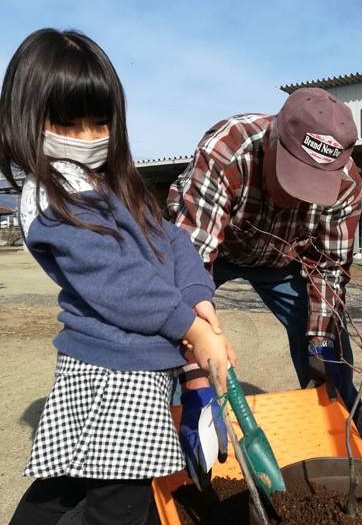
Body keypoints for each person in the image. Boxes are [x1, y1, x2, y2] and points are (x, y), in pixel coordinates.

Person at [0, 28, 235, 525]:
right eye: (67, 122)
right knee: (120, 506)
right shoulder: (50, 197)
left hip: (133, 364)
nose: (87, 138)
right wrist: (192, 330)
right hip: (111, 372)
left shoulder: (111, 185)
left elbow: (170, 239)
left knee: (68, 483)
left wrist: (201, 302)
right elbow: (120, 280)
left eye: (100, 122)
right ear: (26, 118)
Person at [166, 88, 362, 414]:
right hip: (218, 251)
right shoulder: (228, 149)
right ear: (272, 141)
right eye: (293, 176)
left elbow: (329, 267)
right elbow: (190, 258)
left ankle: (341, 430)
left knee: (331, 345)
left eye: (313, 186)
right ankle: (178, 421)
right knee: (176, 333)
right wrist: (195, 361)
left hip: (282, 260)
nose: (297, 197)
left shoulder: (347, 183)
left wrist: (320, 341)